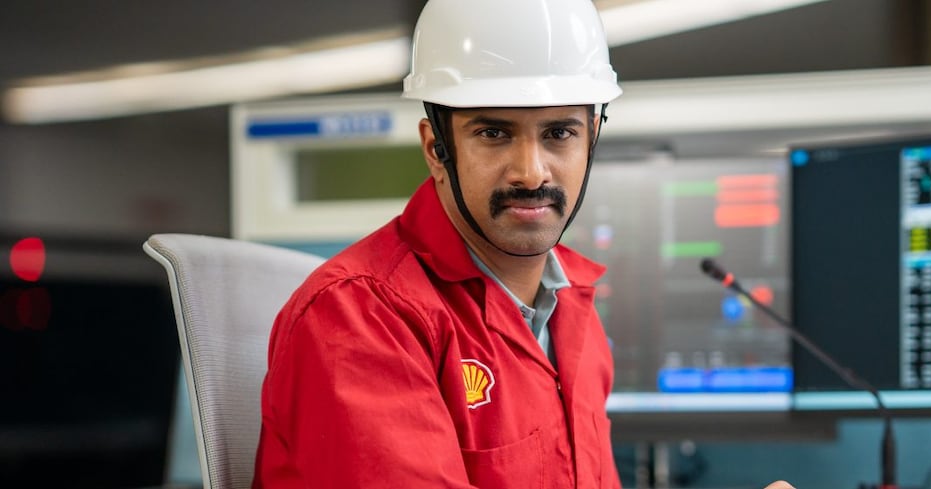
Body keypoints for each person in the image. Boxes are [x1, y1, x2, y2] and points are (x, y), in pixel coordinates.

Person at [253, 1, 794, 488]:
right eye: (494, 133)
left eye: (559, 132)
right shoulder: (361, 318)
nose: (531, 172)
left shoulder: (573, 312)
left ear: (592, 141)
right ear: (436, 149)